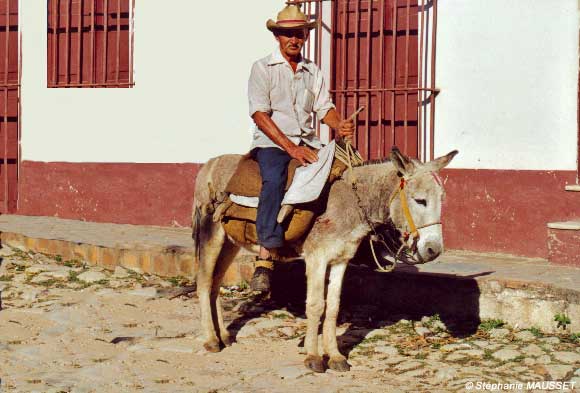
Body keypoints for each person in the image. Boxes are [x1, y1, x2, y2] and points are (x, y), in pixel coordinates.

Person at [248, 4, 354, 293]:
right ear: (277, 37)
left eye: (300, 34)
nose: (294, 39)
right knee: (273, 180)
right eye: (288, 34)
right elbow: (260, 115)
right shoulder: (262, 68)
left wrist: (339, 124)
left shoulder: (312, 71)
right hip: (272, 143)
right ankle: (265, 256)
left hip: (309, 142)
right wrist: (290, 149)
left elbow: (324, 109)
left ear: (306, 36)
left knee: (345, 174)